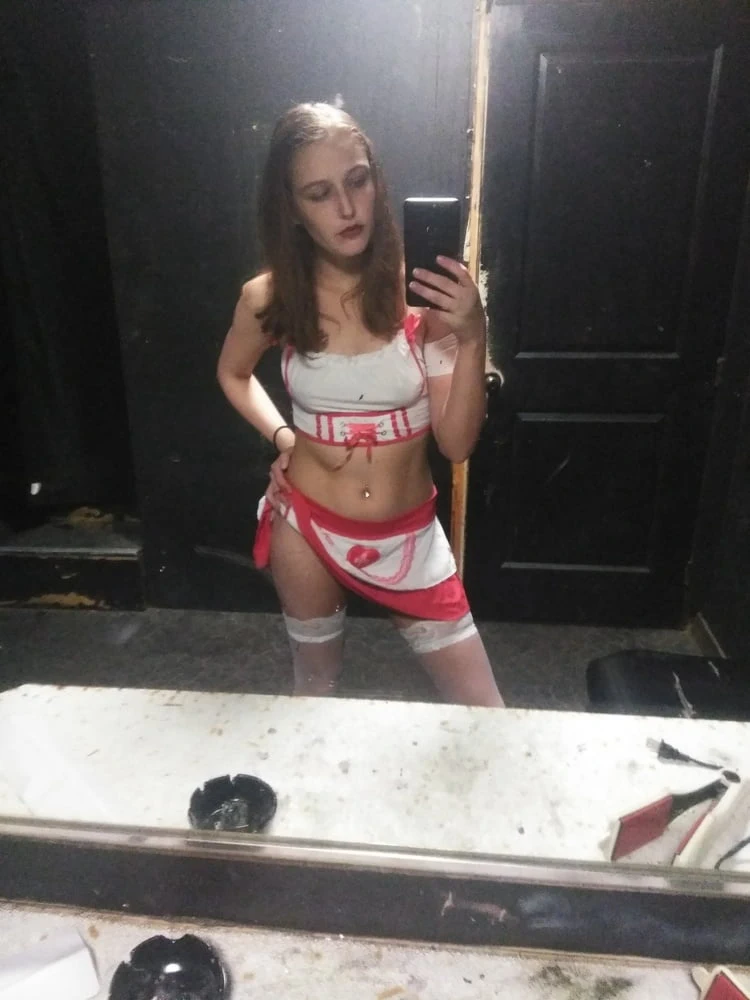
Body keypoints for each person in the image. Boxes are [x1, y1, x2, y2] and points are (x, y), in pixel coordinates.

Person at [217, 102, 504, 707]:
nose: (346, 209)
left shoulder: (423, 295)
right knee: (315, 694)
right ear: (293, 209)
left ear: (377, 182)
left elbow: (456, 444)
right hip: (307, 527)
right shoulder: (270, 297)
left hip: (410, 539)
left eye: (357, 181)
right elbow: (233, 373)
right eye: (319, 194)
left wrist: (473, 335)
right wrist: (284, 438)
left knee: (485, 712)